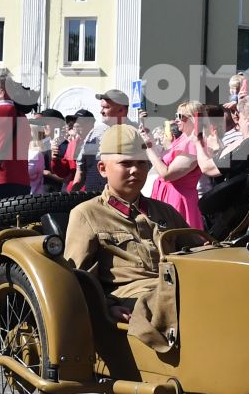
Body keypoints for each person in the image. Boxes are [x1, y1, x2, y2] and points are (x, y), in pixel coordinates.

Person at [63, 124, 193, 354]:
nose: (135, 170)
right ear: (103, 169)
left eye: (141, 163)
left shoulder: (164, 212)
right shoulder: (87, 214)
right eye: (126, 163)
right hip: (132, 301)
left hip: (175, 290)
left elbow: (199, 250)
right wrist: (107, 305)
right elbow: (77, 278)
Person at [141, 103, 205, 228]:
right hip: (168, 196)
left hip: (178, 200)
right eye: (176, 115)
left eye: (180, 116)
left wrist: (147, 148)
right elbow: (163, 160)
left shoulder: (192, 144)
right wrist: (151, 142)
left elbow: (167, 174)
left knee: (178, 241)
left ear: (193, 118)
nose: (176, 119)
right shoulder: (181, 140)